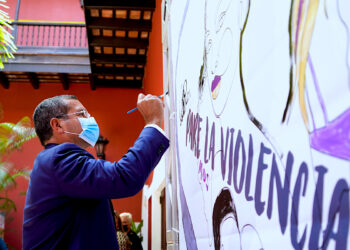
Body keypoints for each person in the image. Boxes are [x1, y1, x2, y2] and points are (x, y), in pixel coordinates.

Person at [22, 94, 169, 249]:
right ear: (57, 125)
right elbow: (124, 177)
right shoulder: (59, 159)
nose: (90, 119)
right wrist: (153, 122)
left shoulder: (52, 160)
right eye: (81, 114)